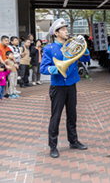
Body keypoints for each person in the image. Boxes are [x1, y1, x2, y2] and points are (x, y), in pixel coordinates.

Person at [40, 18, 91, 158]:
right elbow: (43, 69)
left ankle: (73, 141)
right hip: (58, 86)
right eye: (63, 30)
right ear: (56, 33)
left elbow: (86, 59)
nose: (66, 31)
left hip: (71, 84)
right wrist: (58, 68)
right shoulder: (49, 48)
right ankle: (53, 145)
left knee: (72, 115)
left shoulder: (72, 45)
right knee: (55, 117)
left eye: (66, 29)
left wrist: (84, 46)